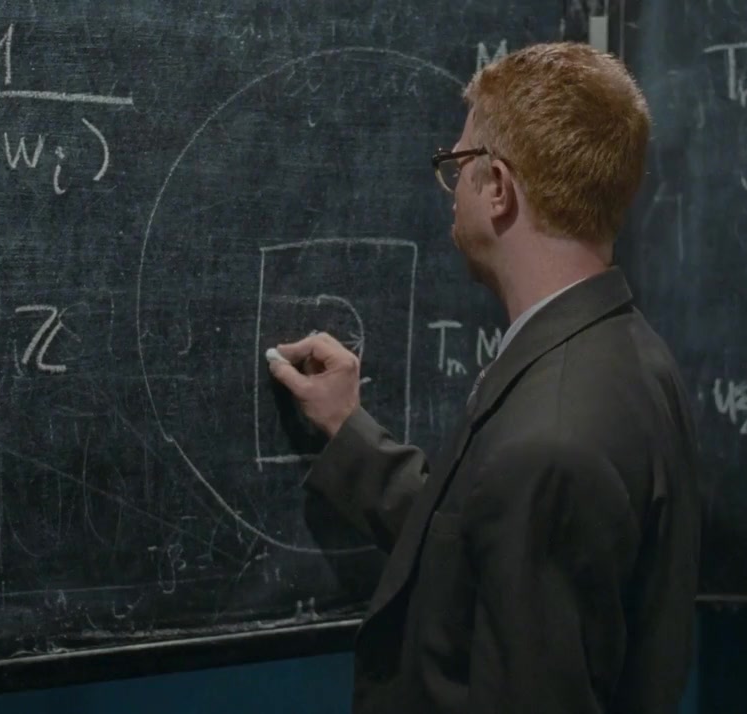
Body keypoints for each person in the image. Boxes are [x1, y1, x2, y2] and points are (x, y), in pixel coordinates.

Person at [268, 41, 700, 714]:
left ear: (497, 187)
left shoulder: (550, 439)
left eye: (459, 164)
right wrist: (351, 434)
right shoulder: (627, 357)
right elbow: (482, 544)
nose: (451, 186)